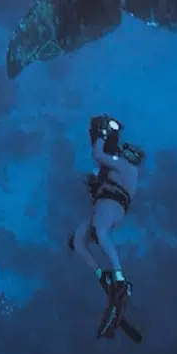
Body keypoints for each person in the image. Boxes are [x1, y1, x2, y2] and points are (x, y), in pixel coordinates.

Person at [68, 114, 145, 340]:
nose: (124, 150)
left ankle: (120, 280)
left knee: (100, 233)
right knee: (78, 241)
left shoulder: (127, 167)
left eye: (130, 150)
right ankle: (103, 276)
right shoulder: (118, 168)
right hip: (106, 206)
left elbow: (98, 154)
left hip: (112, 206)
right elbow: (96, 175)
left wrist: (102, 135)